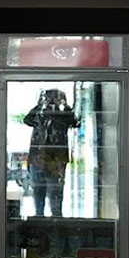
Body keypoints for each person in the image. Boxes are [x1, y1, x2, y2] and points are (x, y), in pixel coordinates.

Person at [23, 89, 79, 217]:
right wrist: (40, 104)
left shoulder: (64, 115)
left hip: (56, 160)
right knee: (38, 190)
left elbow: (75, 122)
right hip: (38, 158)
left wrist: (64, 105)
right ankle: (39, 218)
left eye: (55, 97)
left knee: (56, 192)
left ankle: (56, 218)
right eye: (49, 97)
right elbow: (27, 120)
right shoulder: (40, 114)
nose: (52, 100)